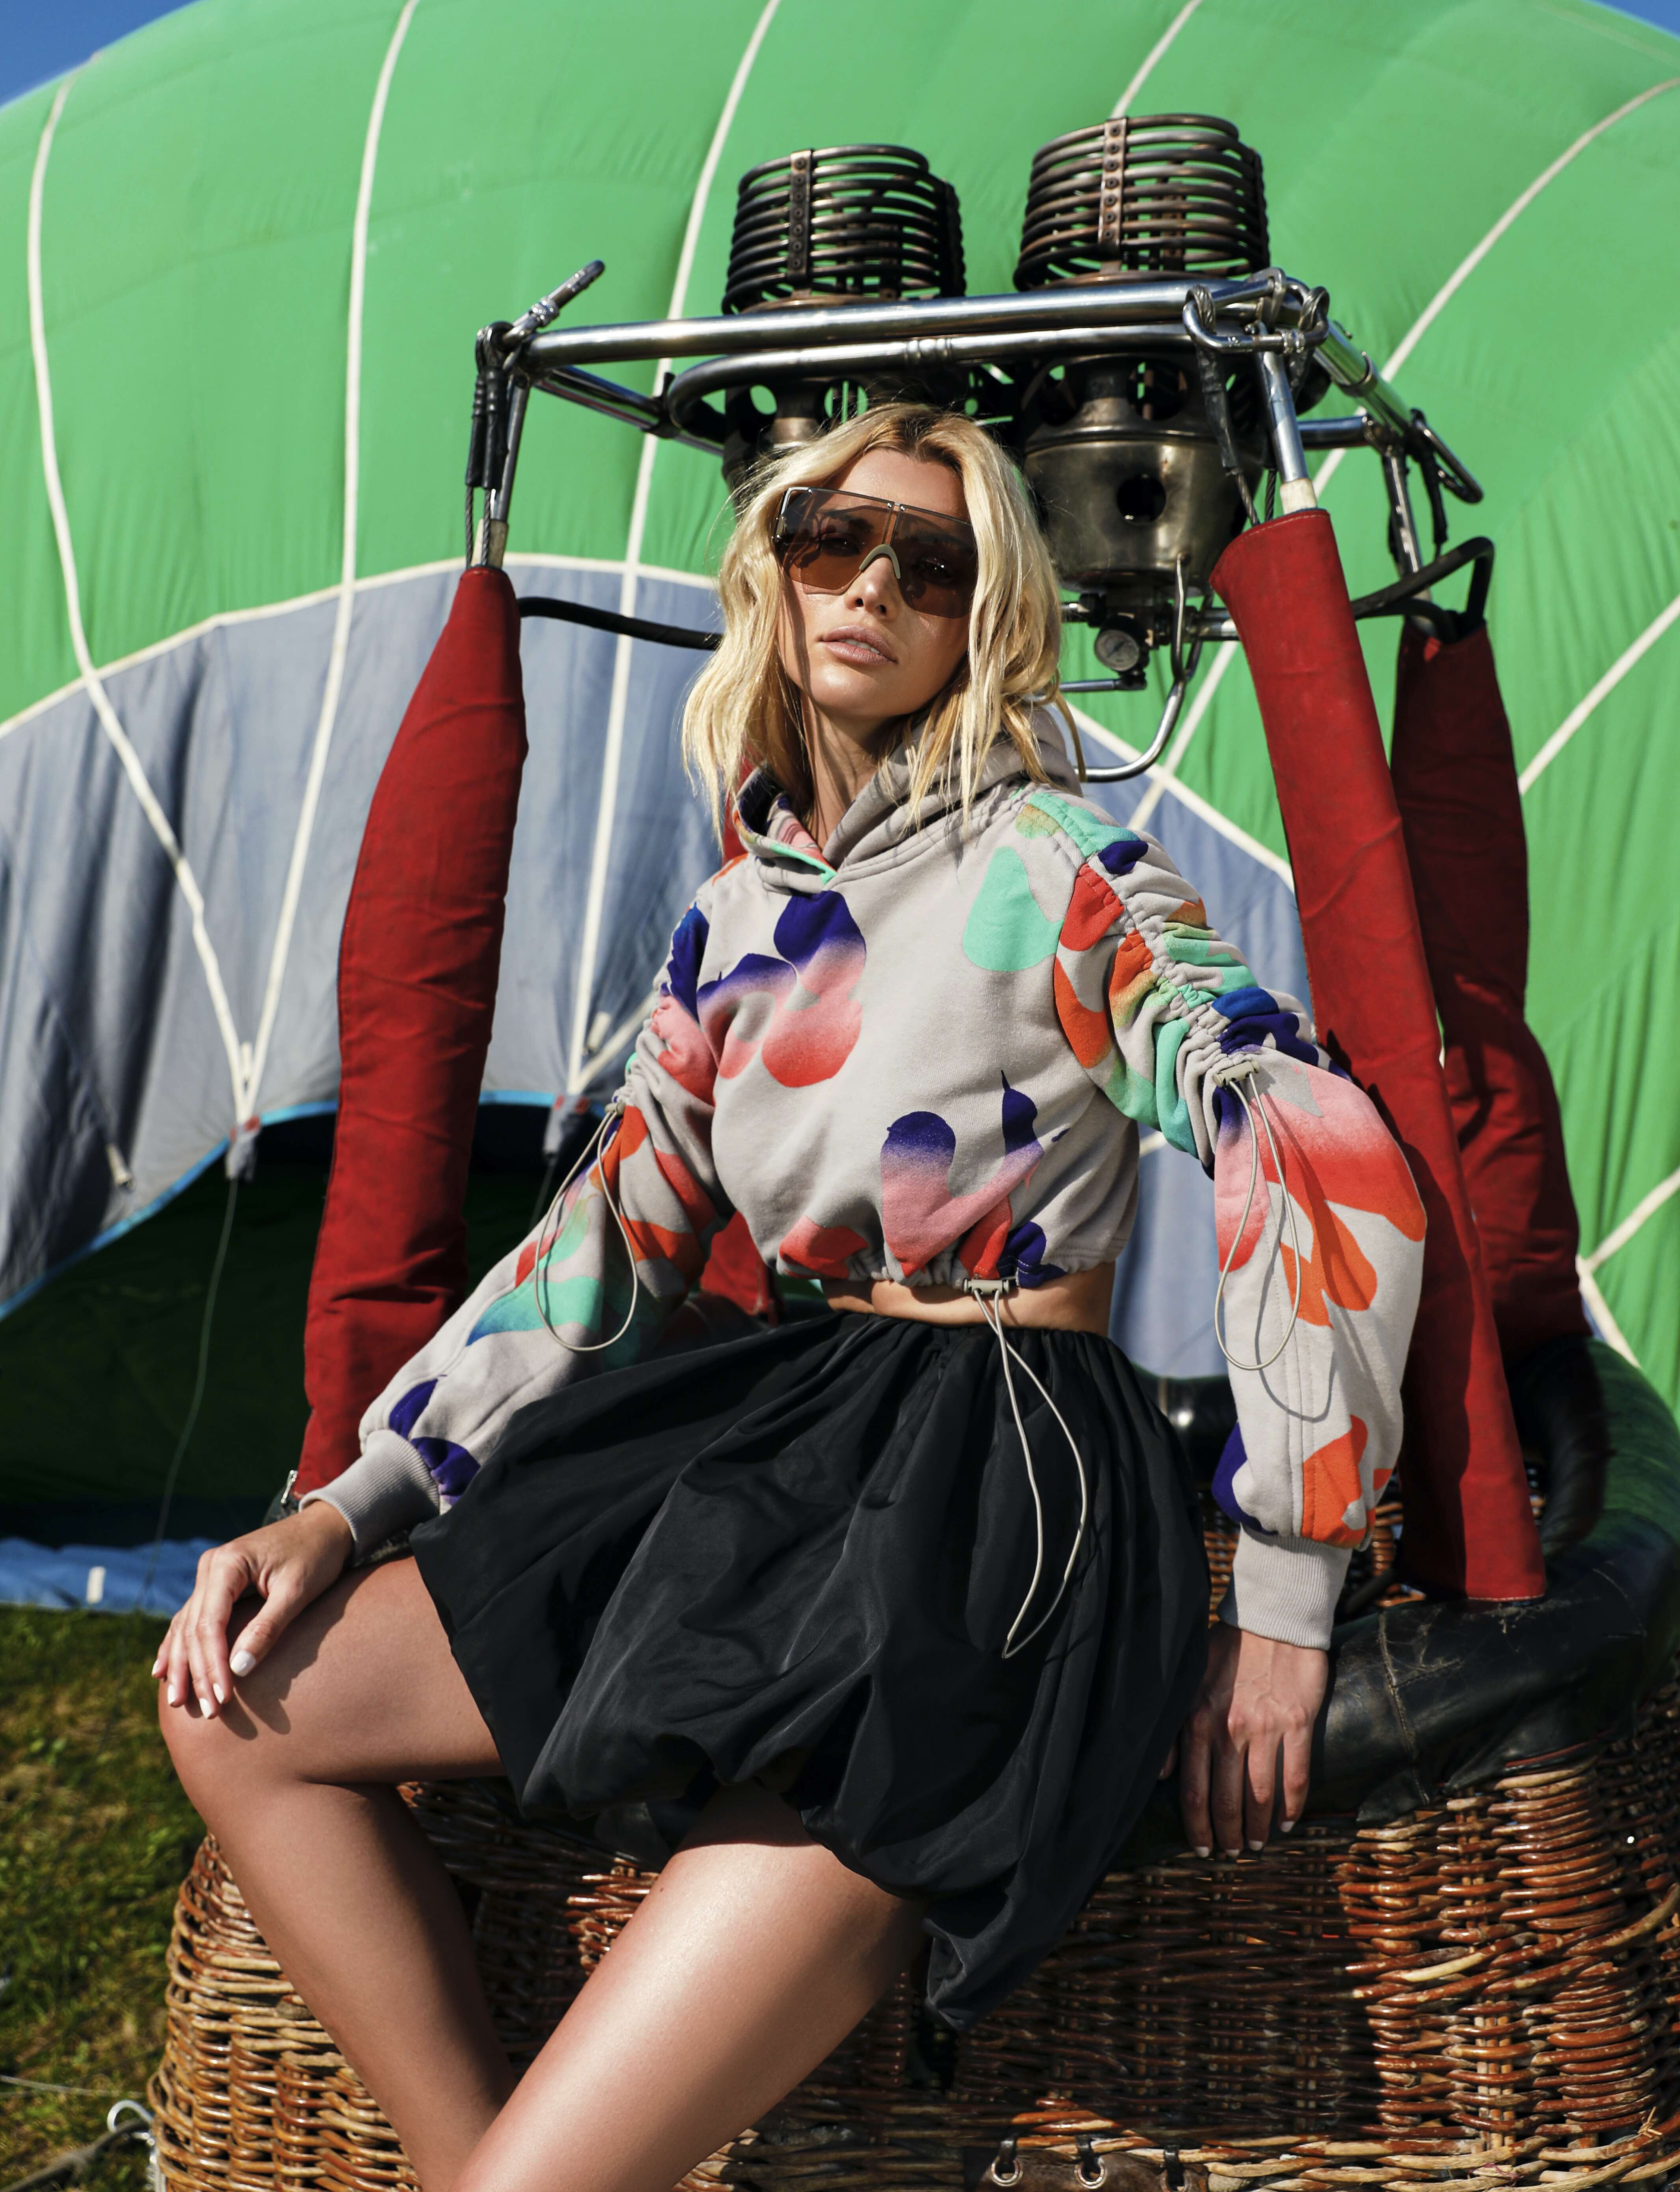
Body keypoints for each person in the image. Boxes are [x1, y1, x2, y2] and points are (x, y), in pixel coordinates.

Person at [157, 405, 1424, 2192]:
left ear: (988, 617)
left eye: (934, 563)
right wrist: (348, 1507)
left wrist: (1290, 1594)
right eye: (834, 537)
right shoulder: (739, 918)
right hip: (793, 1434)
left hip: (993, 1489)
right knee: (230, 1703)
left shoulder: (1053, 866)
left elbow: (1308, 1140)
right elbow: (609, 1240)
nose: (872, 586)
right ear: (774, 568)